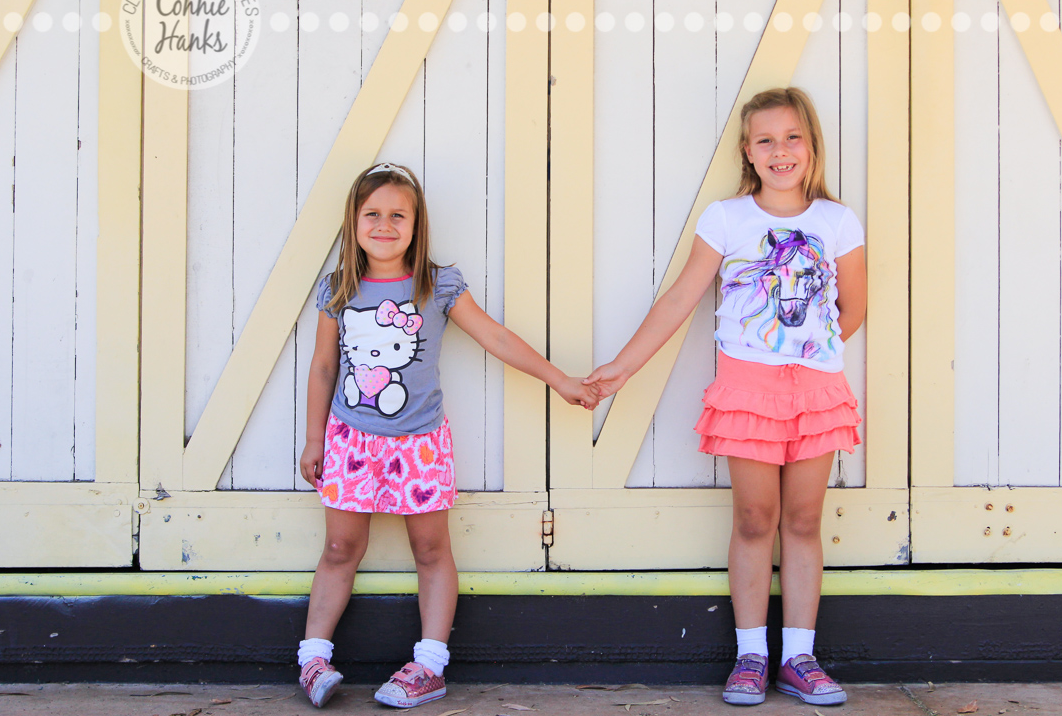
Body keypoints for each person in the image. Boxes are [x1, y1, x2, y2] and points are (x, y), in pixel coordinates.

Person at [585, 88, 866, 707]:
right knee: (754, 519)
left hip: (818, 392)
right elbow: (680, 300)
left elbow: (853, 307)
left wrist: (802, 352)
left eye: (792, 137)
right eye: (766, 140)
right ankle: (751, 655)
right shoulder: (727, 219)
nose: (780, 151)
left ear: (811, 145)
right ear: (747, 151)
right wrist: (623, 368)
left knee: (803, 521)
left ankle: (798, 657)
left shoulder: (837, 222)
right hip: (747, 392)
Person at [297, 162, 597, 709]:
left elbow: (496, 338)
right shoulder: (337, 290)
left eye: (398, 215)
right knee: (340, 548)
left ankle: (429, 666)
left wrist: (560, 379)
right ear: (353, 221)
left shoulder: (437, 286)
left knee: (432, 549)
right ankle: (313, 658)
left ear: (417, 225)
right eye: (372, 214)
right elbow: (322, 367)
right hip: (351, 442)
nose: (384, 225)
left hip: (420, 445)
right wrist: (315, 439)